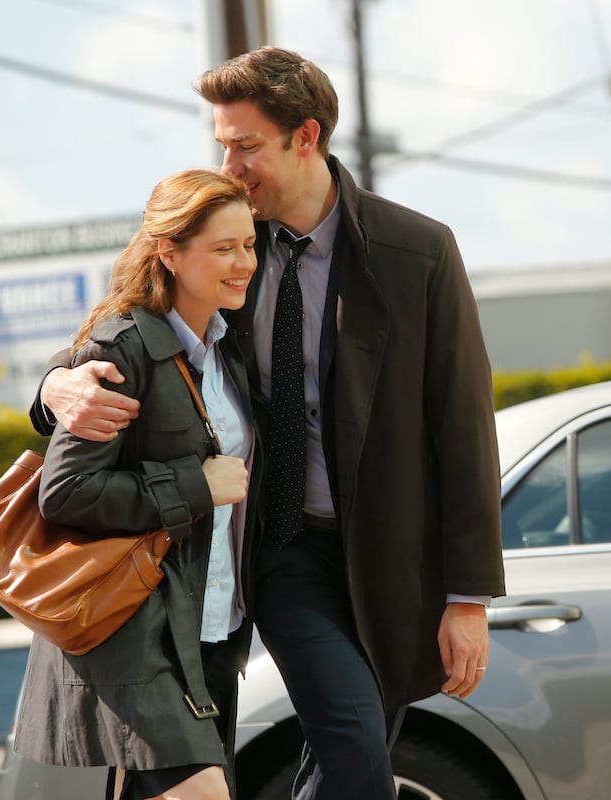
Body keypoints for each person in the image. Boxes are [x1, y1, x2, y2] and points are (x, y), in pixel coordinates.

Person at [31, 47, 506, 799]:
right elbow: (128, 323)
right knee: (354, 752)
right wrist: (56, 382)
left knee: (350, 758)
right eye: (223, 142)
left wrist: (468, 596)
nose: (230, 162)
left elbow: (465, 427)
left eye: (245, 144)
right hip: (280, 549)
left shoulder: (418, 252)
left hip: (388, 565)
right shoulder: (224, 248)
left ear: (306, 138)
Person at [15, 168, 261, 800]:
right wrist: (194, 485)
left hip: (214, 631)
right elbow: (66, 492)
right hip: (141, 634)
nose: (244, 263)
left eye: (250, 244)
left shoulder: (227, 344)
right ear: (169, 253)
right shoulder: (122, 348)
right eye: (224, 248)